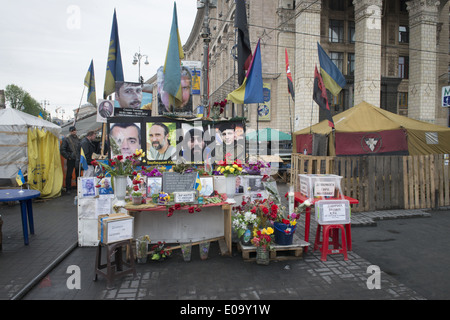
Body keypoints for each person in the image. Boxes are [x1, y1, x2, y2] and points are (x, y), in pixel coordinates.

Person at [60, 126, 81, 195]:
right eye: (72, 131)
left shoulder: (78, 139)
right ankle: (68, 188)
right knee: (69, 174)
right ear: (70, 131)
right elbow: (62, 150)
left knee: (78, 174)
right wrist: (68, 157)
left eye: (75, 130)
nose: (74, 132)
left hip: (77, 159)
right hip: (71, 159)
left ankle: (79, 187)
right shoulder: (66, 139)